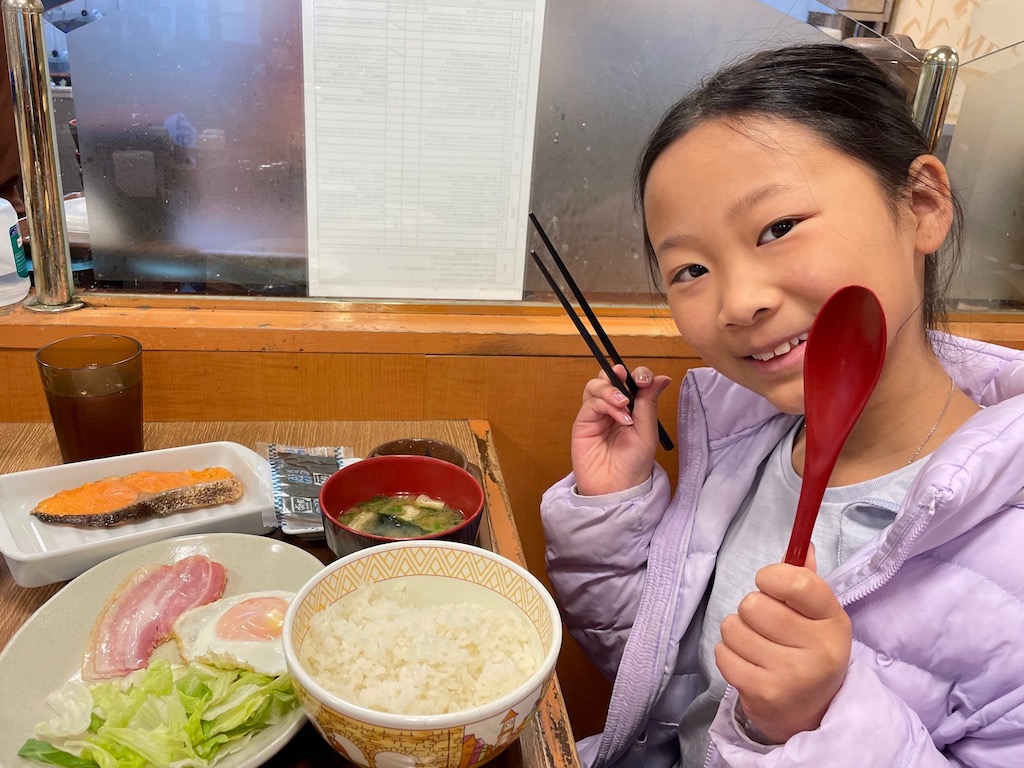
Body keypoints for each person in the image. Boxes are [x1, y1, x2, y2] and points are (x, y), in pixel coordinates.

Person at [540, 42, 1024, 768]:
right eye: (691, 270)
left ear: (922, 205)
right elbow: (662, 683)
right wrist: (614, 507)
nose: (738, 303)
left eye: (777, 228)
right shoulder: (751, 445)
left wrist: (817, 722)